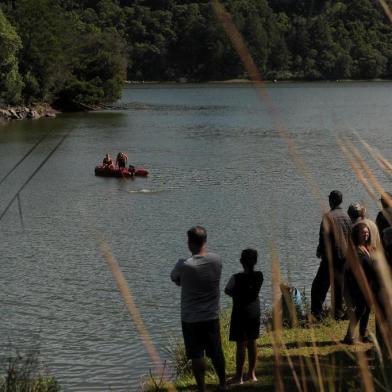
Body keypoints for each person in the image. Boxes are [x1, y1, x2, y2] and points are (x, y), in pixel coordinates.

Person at [171, 226, 226, 391]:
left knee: (196, 355)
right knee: (216, 351)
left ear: (189, 243)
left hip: (190, 318)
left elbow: (175, 279)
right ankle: (223, 384)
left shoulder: (184, 264)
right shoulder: (217, 260)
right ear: (205, 240)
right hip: (211, 315)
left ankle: (201, 388)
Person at [311, 190, 351, 320]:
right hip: (343, 257)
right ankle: (337, 313)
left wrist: (320, 251)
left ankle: (317, 313)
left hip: (330, 256)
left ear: (331, 201)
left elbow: (323, 236)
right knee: (338, 285)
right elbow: (350, 236)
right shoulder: (346, 216)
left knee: (319, 285)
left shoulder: (328, 216)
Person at [225, 249, 263, 385]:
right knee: (252, 342)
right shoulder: (259, 276)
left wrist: (236, 294)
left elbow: (227, 290)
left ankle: (238, 376)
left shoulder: (236, 278)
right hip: (254, 312)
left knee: (240, 343)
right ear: (255, 261)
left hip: (240, 313)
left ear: (241, 262)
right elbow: (252, 290)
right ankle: (252, 374)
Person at [343, 222, 379, 344]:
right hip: (359, 286)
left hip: (369, 285)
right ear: (357, 235)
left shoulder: (366, 248)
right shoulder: (356, 251)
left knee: (367, 309)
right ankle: (348, 337)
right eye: (363, 233)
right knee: (360, 310)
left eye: (367, 232)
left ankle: (362, 335)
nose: (366, 235)